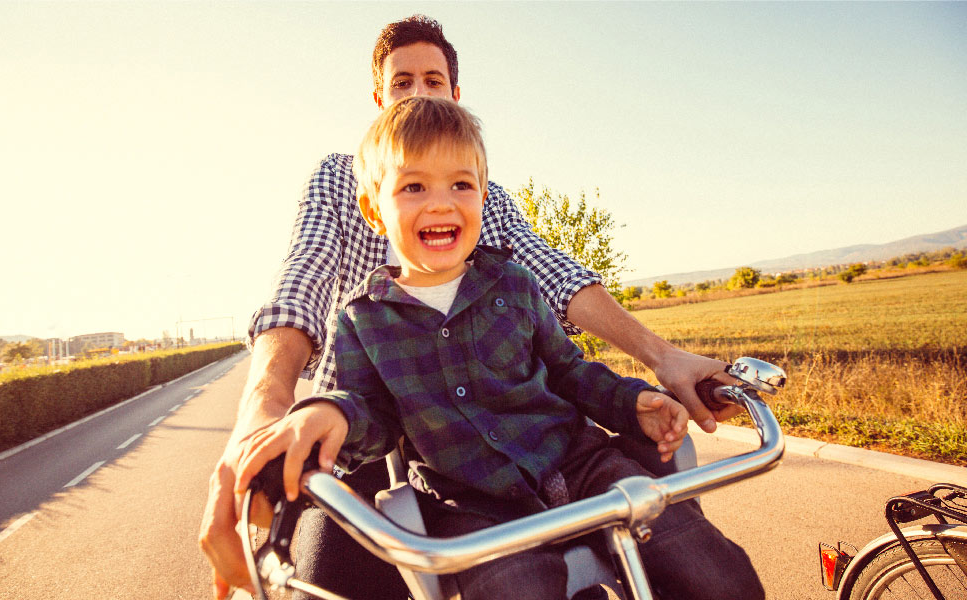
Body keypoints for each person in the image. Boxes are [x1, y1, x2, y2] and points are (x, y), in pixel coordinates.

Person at [199, 14, 742, 600]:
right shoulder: (341, 192)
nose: (418, 95)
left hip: (543, 447)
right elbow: (301, 280)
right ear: (379, 100)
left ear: (456, 96)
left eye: (433, 81)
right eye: (402, 83)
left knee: (695, 554)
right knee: (322, 571)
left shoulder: (492, 219)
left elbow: (552, 276)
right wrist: (271, 407)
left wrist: (660, 358)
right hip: (377, 434)